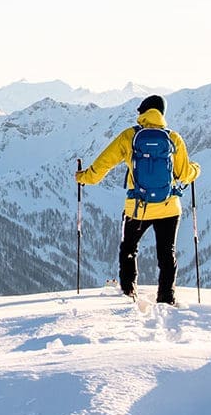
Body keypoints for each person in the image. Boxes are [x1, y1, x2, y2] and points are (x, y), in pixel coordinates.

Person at [76, 94, 201, 306]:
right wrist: (196, 170)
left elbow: (104, 163)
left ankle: (128, 290)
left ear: (143, 112)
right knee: (166, 252)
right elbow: (183, 174)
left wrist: (84, 177)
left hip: (137, 208)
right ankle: (166, 297)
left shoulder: (129, 137)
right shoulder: (173, 138)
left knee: (129, 248)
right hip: (169, 208)